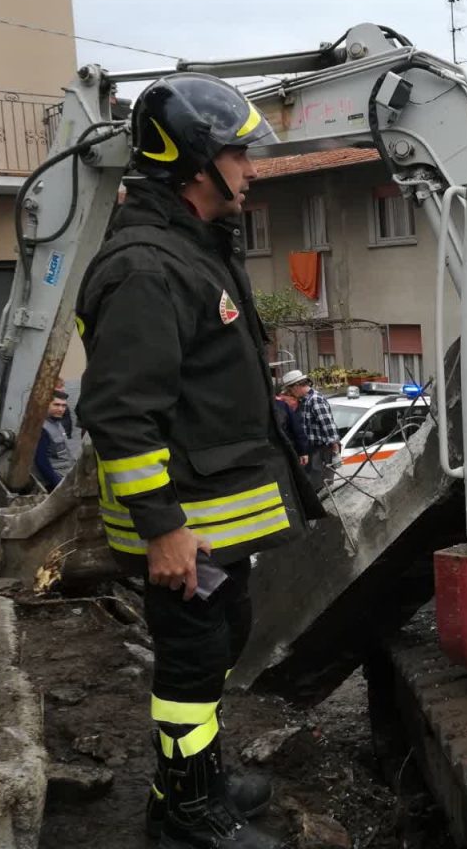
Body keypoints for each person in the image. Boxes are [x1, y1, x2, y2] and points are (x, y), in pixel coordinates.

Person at [75, 72, 325, 849]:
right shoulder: (149, 268)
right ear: (195, 162)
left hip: (214, 525)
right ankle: (185, 814)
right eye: (238, 153)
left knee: (218, 645)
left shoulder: (194, 250)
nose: (251, 168)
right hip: (183, 531)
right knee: (189, 671)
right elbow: (121, 413)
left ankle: (194, 780)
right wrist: (162, 529)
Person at [280, 369, 338, 488]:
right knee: (313, 485)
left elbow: (329, 427)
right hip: (313, 450)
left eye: (290, 390)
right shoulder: (304, 401)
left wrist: (335, 451)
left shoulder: (315, 400)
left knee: (320, 486)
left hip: (322, 451)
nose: (290, 393)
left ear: (296, 386)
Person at [33, 391, 76, 491]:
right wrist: (58, 484)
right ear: (46, 404)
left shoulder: (57, 423)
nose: (61, 409)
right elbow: (41, 461)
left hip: (65, 476)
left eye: (64, 406)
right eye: (56, 405)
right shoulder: (42, 428)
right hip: (53, 483)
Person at [274, 392, 309, 465]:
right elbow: (297, 429)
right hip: (283, 452)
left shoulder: (281, 405)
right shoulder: (280, 405)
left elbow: (297, 429)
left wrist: (303, 451)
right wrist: (303, 452)